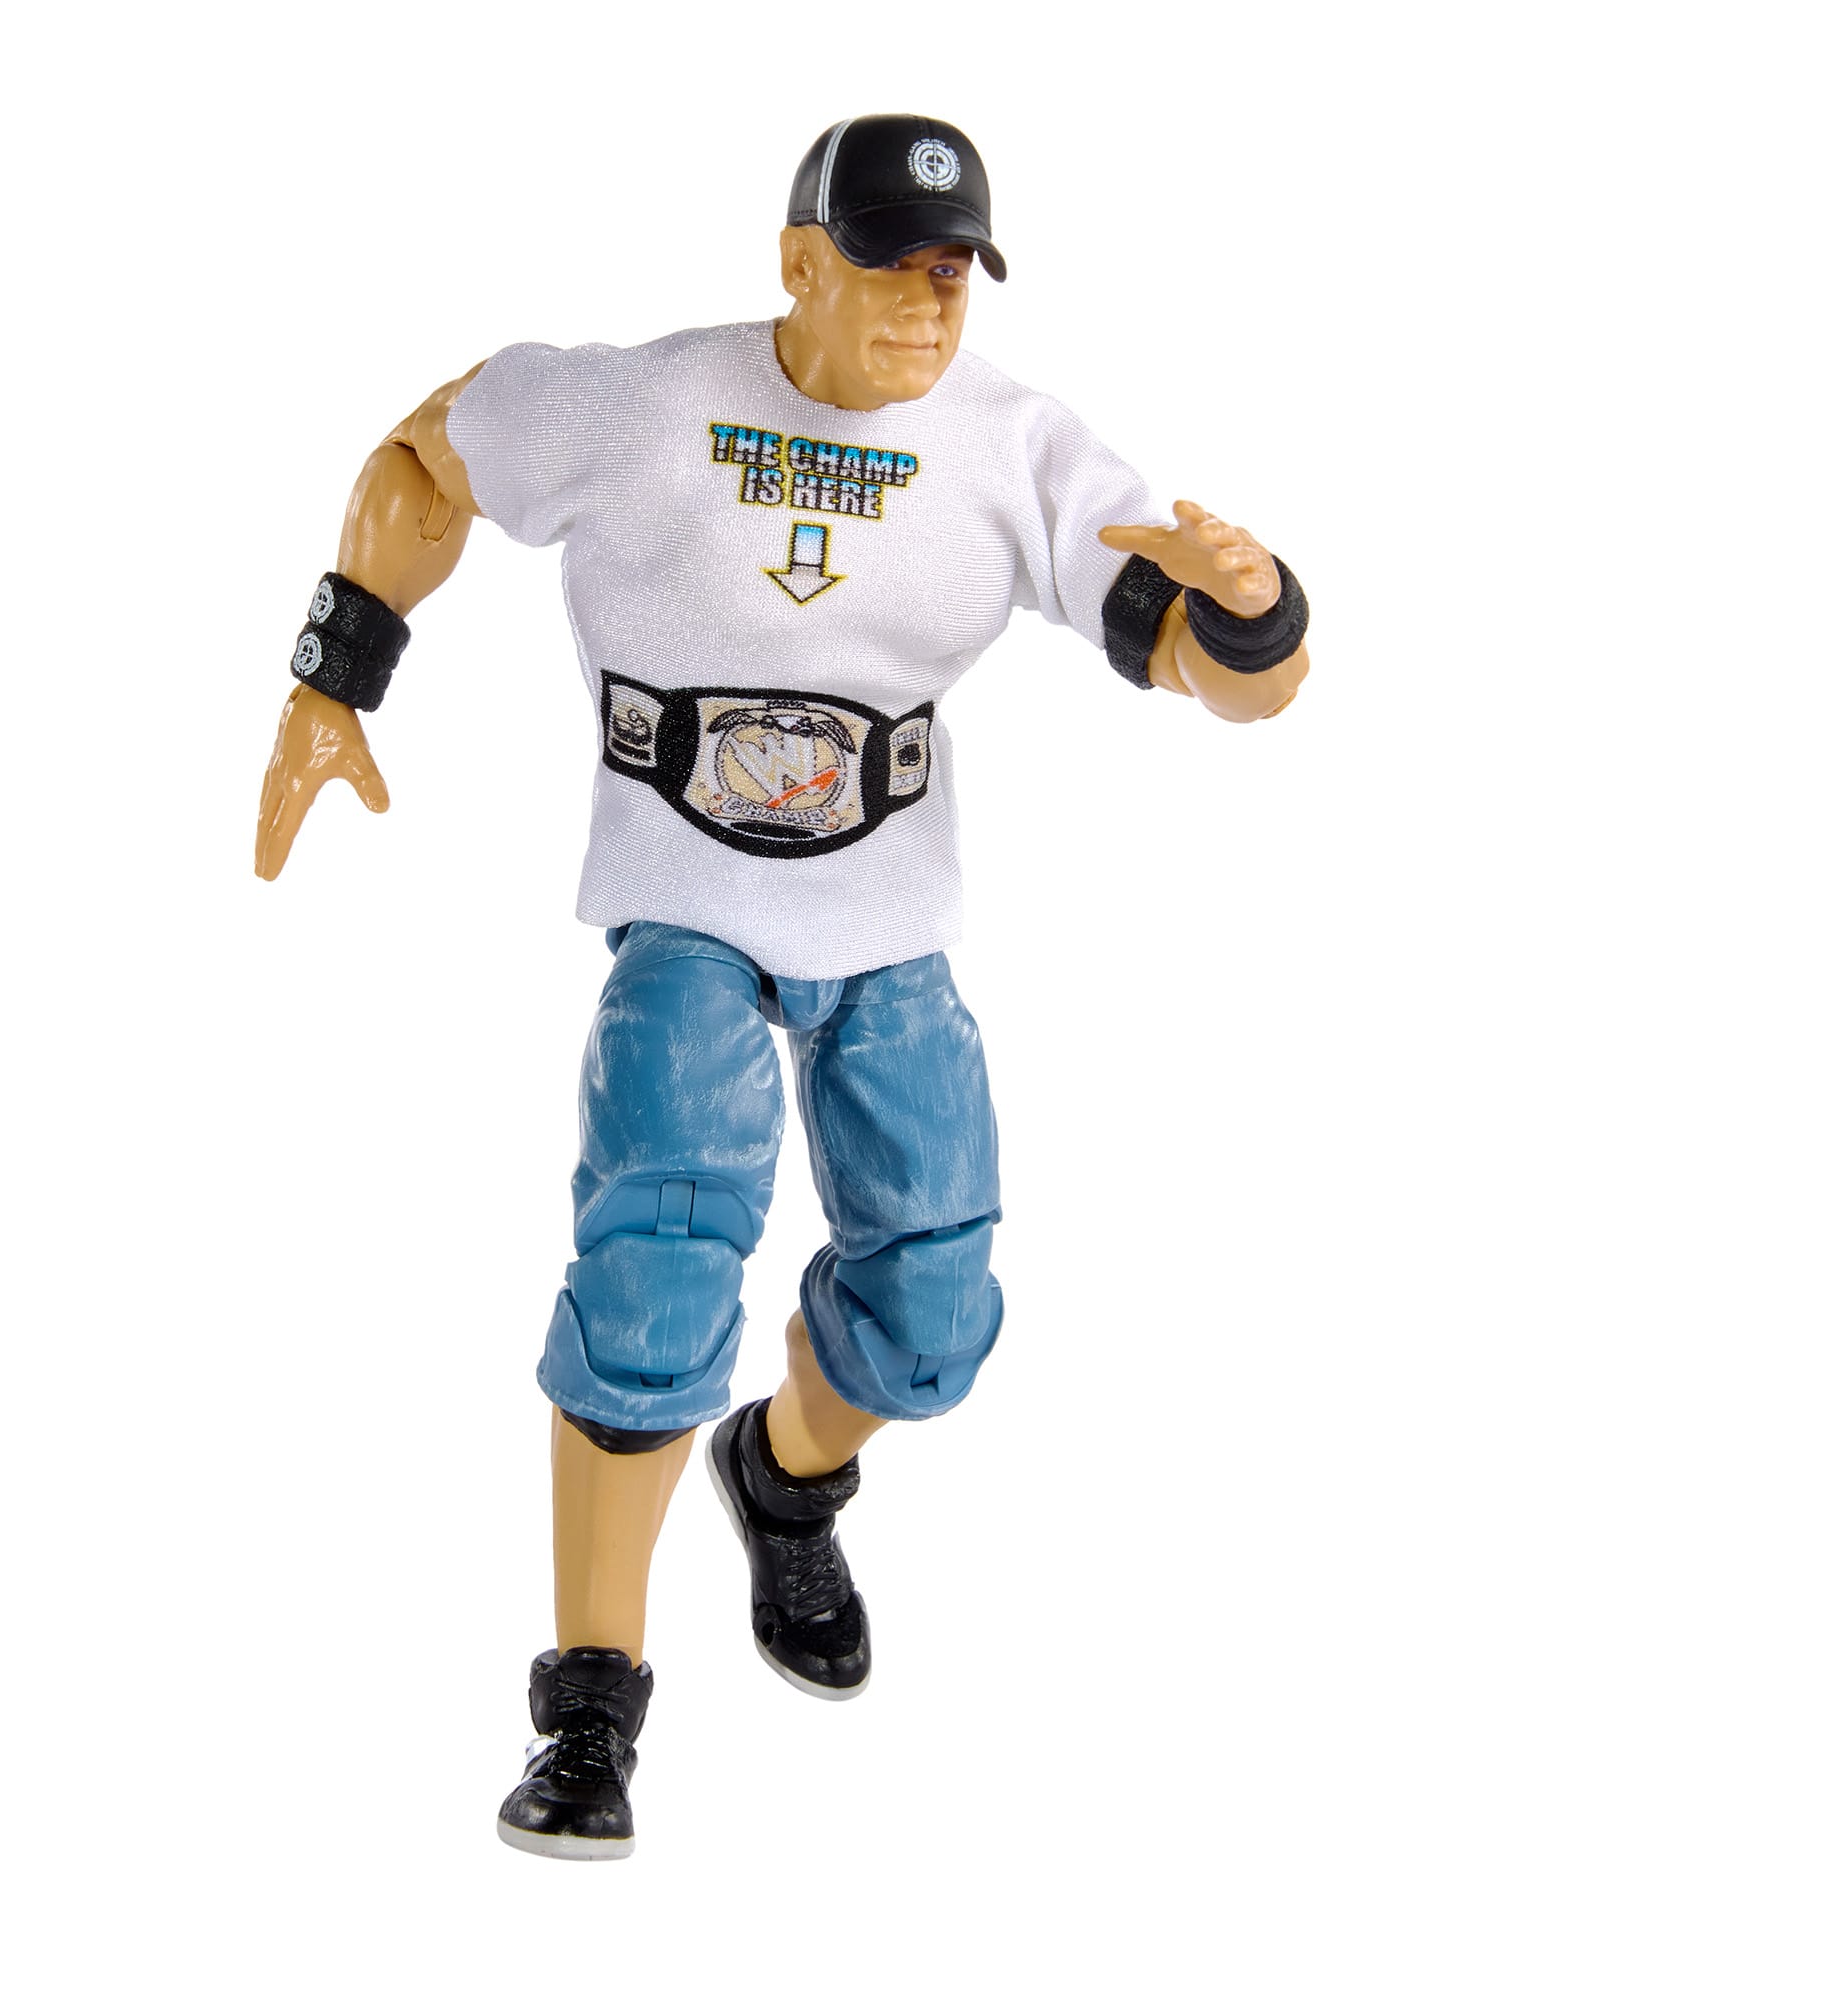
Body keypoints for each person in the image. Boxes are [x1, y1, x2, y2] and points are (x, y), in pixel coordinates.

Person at [254, 114, 1311, 1860]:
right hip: (687, 897)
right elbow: (431, 453)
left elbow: (1218, 666)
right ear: (799, 262)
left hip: (886, 908)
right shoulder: (648, 406)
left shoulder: (1011, 445)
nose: (927, 300)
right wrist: (333, 674)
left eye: (955, 268)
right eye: (889, 263)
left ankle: (788, 1473)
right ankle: (590, 1702)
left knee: (936, 1298)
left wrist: (1258, 614)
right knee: (655, 1266)